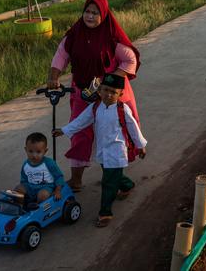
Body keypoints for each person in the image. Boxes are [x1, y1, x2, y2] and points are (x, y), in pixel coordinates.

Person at [47, 0, 141, 192]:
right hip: (83, 92)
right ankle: (76, 180)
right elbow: (61, 55)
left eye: (95, 13)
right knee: (79, 132)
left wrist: (109, 80)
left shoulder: (111, 36)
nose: (89, 16)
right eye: (87, 12)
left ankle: (118, 180)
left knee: (113, 135)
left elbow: (130, 59)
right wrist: (54, 77)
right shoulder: (75, 34)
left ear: (104, 15)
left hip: (109, 95)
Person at [53, 74, 147, 228]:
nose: (108, 95)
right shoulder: (95, 107)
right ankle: (127, 185)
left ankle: (105, 213)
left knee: (108, 182)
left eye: (113, 92)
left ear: (120, 94)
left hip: (117, 151)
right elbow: (81, 121)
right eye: (105, 90)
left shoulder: (123, 109)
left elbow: (133, 128)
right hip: (103, 150)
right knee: (113, 175)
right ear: (100, 90)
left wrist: (140, 145)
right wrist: (63, 130)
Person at [12, 132, 66, 203]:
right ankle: (20, 207)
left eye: (38, 152)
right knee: (17, 189)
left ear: (45, 151)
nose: (34, 155)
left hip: (45, 187)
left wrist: (57, 190)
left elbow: (59, 177)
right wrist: (22, 188)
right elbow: (24, 179)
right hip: (30, 187)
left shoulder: (49, 163)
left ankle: (38, 210)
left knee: (43, 195)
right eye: (30, 151)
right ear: (26, 150)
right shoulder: (26, 164)